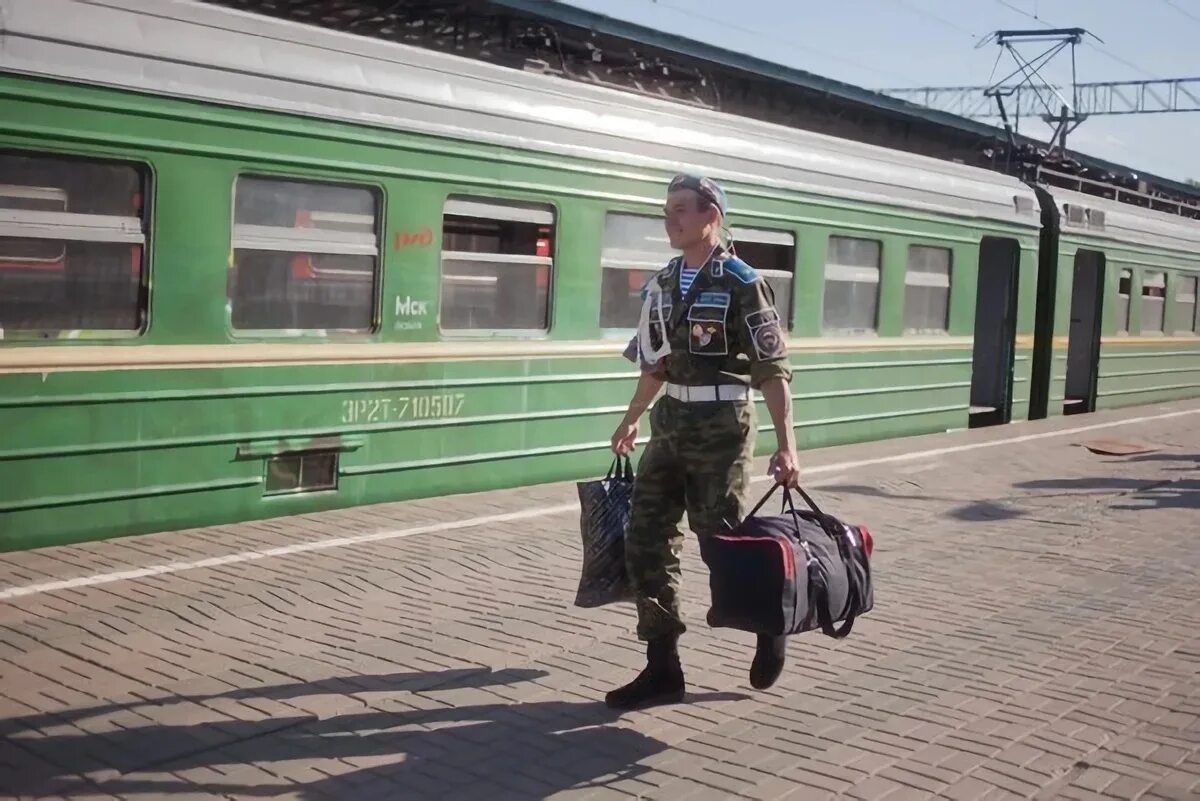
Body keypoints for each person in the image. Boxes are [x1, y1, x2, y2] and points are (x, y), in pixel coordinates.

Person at [607, 172, 800, 711]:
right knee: (644, 539)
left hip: (722, 426)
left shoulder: (742, 282)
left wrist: (788, 446)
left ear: (711, 216)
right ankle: (663, 667)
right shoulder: (663, 284)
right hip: (670, 424)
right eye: (667, 211)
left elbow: (772, 370)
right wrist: (631, 419)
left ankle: (771, 625)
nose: (670, 220)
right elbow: (655, 365)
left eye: (681, 211)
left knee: (724, 544)